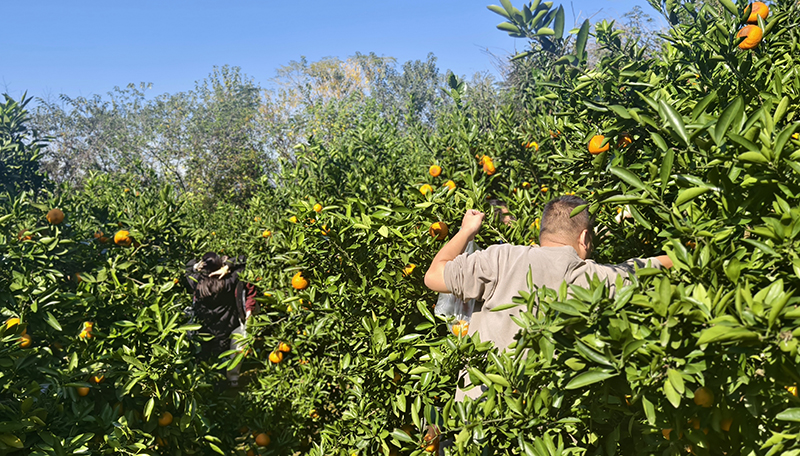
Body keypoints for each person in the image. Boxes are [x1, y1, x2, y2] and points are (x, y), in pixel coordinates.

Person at [424, 195, 672, 400]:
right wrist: (688, 248)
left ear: (544, 231)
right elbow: (645, 267)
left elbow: (433, 276)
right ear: (584, 238)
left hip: (475, 416)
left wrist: (466, 231)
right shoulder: (593, 278)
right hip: (539, 423)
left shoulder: (501, 258)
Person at [185, 252, 258, 388]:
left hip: (205, 326)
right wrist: (227, 267)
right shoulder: (229, 281)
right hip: (226, 325)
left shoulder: (196, 282)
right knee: (223, 355)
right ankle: (226, 382)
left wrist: (196, 266)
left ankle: (206, 384)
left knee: (205, 355)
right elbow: (243, 260)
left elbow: (187, 268)